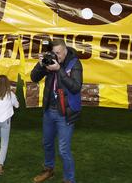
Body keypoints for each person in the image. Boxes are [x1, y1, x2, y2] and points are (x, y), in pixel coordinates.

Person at [30, 39, 83, 183]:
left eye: (59, 53)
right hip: (49, 110)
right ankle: (49, 170)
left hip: (65, 113)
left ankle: (69, 180)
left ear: (65, 50)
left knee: (63, 150)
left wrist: (58, 70)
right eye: (54, 53)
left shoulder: (75, 63)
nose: (56, 56)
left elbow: (75, 87)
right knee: (46, 143)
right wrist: (41, 65)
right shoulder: (51, 60)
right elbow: (34, 77)